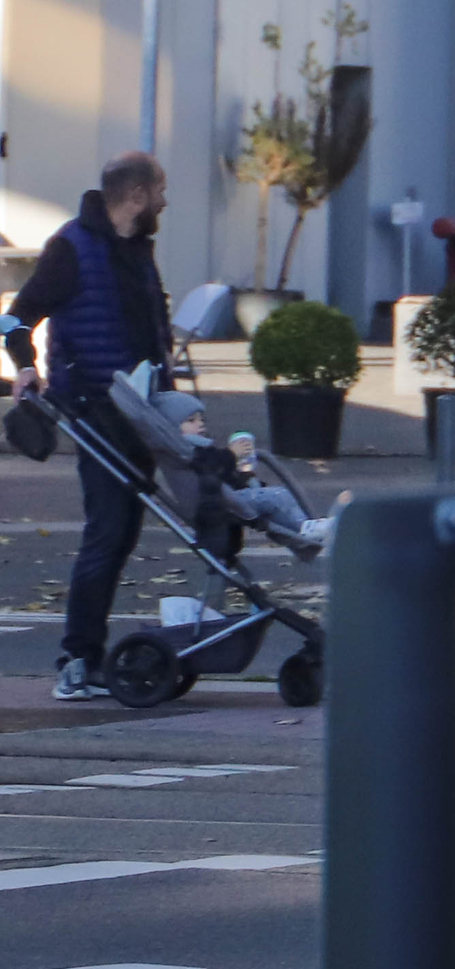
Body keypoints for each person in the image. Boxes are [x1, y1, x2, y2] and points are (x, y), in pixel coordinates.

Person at [3, 154, 173, 700]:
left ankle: (88, 656)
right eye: (161, 191)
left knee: (122, 532)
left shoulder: (135, 252)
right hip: (95, 411)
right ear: (139, 195)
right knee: (106, 532)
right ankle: (76, 661)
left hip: (141, 413)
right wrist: (26, 365)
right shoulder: (72, 247)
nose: (166, 202)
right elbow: (16, 314)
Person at [147, 390, 334, 546]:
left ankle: (301, 531)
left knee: (272, 500)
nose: (200, 423)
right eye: (191, 420)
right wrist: (231, 454)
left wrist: (239, 472)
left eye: (201, 418)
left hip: (219, 497)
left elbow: (215, 470)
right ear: (173, 428)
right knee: (277, 496)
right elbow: (211, 466)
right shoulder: (188, 450)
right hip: (218, 502)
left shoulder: (189, 448)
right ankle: (305, 529)